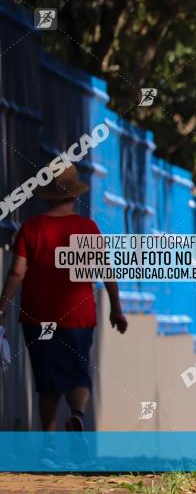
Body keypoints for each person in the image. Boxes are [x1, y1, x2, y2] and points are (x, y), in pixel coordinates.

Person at [0, 165, 128, 432]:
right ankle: (78, 414)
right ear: (74, 196)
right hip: (78, 317)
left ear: (47, 195)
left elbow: (16, 272)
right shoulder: (87, 228)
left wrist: (1, 308)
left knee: (47, 380)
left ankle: (48, 444)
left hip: (38, 316)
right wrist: (116, 308)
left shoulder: (31, 228)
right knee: (78, 372)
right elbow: (105, 270)